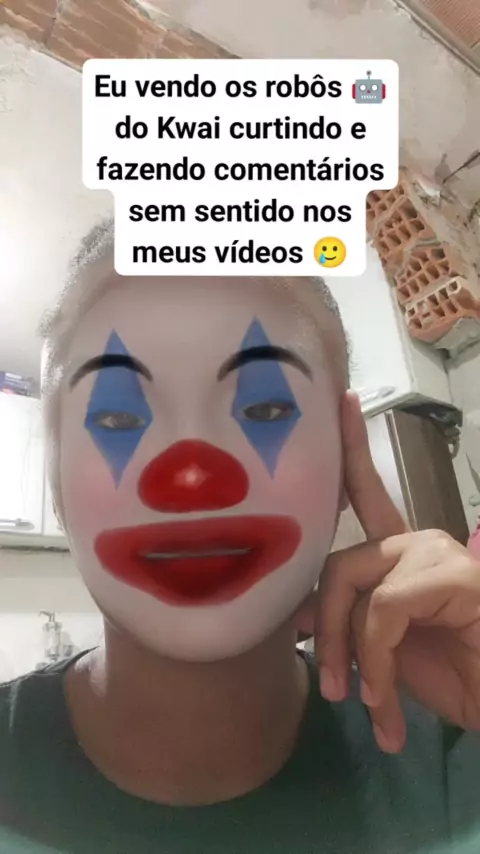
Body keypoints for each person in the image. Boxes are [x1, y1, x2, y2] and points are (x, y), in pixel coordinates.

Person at [1, 218, 480, 854]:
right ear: (56, 479)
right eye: (115, 417)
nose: (191, 476)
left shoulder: (455, 752)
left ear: (346, 455)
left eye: (264, 410)